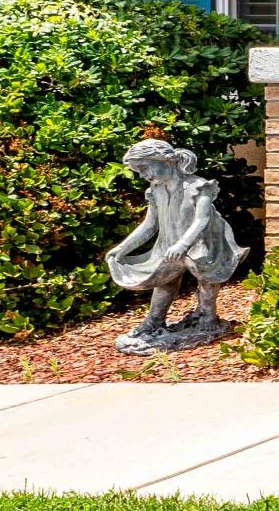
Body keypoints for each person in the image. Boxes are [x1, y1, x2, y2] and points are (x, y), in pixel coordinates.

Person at [106, 137, 248, 353]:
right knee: (164, 280)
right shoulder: (156, 189)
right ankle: (154, 321)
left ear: (167, 161)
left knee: (206, 276)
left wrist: (183, 245)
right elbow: (149, 225)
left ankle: (207, 315)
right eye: (138, 171)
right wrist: (122, 248)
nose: (143, 175)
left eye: (144, 168)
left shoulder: (198, 186)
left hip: (202, 242)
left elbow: (202, 220)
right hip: (170, 245)